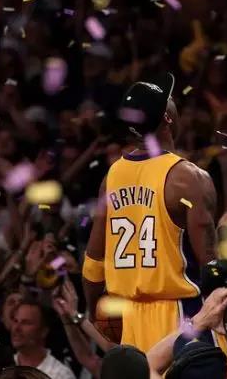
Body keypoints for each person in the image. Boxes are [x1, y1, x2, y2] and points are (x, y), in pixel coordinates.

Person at [82, 73, 218, 352]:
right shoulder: (189, 178)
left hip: (128, 321)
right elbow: (210, 266)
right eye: (170, 99)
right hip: (180, 319)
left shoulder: (113, 176)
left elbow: (93, 264)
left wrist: (94, 311)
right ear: (167, 117)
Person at [11, 298, 76, 379]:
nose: (16, 328)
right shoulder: (1, 366)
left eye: (26, 323)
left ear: (43, 332)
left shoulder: (60, 375)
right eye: (15, 321)